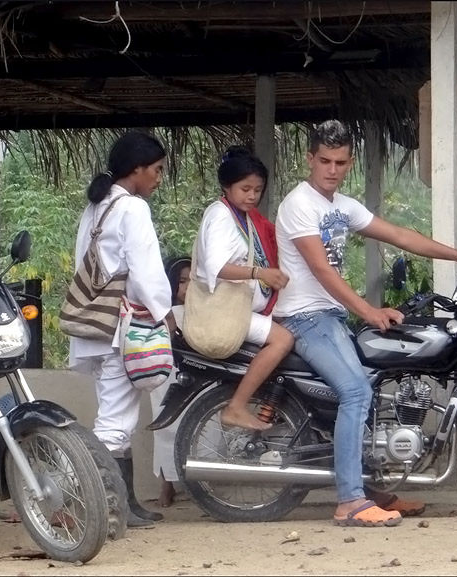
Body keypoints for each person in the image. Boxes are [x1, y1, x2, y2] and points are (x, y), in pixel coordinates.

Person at [274, 120, 457, 527]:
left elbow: (398, 235)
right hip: (304, 317)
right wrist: (368, 311)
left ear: (349, 163)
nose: (331, 169)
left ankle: (370, 487)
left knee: (372, 383)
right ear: (309, 160)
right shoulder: (298, 204)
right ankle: (350, 501)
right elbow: (322, 271)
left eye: (339, 162)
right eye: (324, 161)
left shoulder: (342, 207)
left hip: (330, 317)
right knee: (355, 392)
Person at [67, 131, 175, 528]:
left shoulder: (96, 207)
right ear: (138, 169)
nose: (159, 179)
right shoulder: (132, 209)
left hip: (95, 324)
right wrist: (165, 312)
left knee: (116, 410)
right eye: (157, 170)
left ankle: (125, 503)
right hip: (121, 326)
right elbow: (146, 271)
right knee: (115, 420)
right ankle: (107, 507)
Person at [194, 146, 293, 430]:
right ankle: (236, 406)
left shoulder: (241, 216)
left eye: (257, 190)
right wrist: (259, 272)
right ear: (227, 186)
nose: (252, 196)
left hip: (243, 308)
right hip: (225, 311)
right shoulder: (220, 216)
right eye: (245, 188)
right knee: (283, 340)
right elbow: (216, 266)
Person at [150, 255, 192, 507]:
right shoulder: (161, 313)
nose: (186, 287)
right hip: (167, 374)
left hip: (195, 374)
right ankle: (166, 483)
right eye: (181, 281)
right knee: (166, 427)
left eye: (191, 281)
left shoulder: (205, 310)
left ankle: (198, 482)